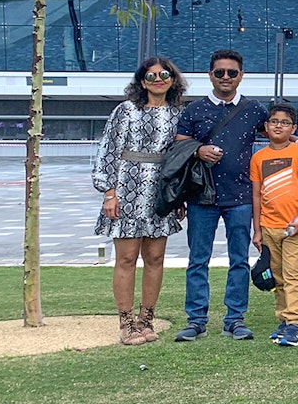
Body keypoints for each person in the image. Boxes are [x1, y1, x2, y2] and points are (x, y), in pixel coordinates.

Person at [174, 49, 270, 342]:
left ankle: (235, 318)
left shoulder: (253, 109)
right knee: (197, 259)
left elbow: (276, 132)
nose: (225, 77)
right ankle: (196, 319)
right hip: (201, 197)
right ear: (210, 75)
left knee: (239, 260)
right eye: (219, 72)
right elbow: (178, 147)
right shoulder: (193, 110)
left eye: (231, 72)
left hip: (240, 196)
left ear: (241, 76)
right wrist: (198, 149)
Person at [92, 57, 188, 345]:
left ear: (173, 79)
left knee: (156, 258)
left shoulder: (179, 114)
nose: (158, 79)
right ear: (141, 80)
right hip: (127, 188)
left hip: (160, 191)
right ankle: (126, 322)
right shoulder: (126, 111)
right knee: (126, 257)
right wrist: (109, 192)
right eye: (151, 75)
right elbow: (108, 149)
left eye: (164, 74)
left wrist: (178, 196)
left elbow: (181, 157)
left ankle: (147, 319)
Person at [250, 103, 298, 347]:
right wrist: (257, 230)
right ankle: (283, 318)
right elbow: (256, 195)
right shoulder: (258, 158)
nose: (279, 126)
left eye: (285, 122)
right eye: (274, 121)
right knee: (277, 276)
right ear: (266, 127)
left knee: (293, 274)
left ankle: (294, 322)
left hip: (296, 226)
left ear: (294, 128)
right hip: (269, 227)